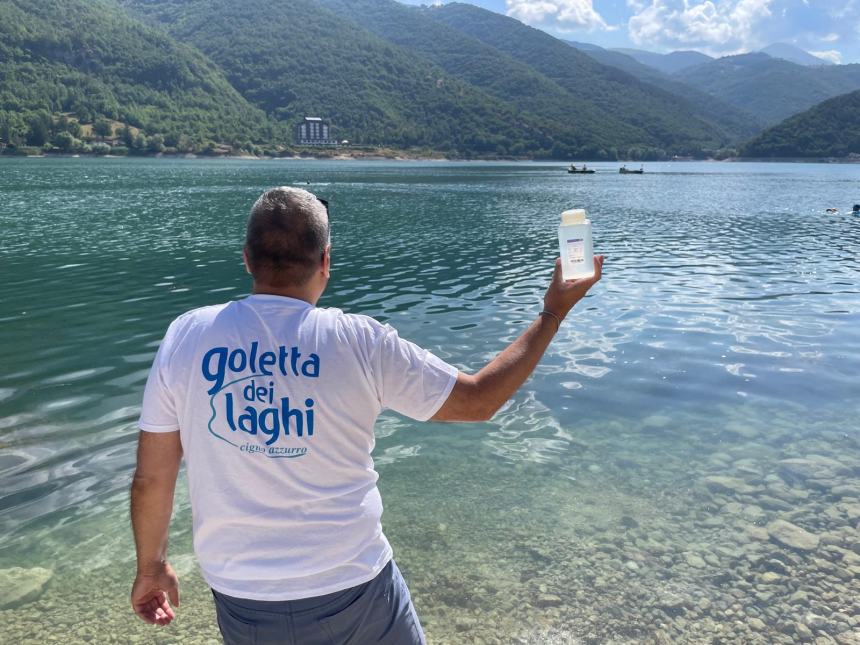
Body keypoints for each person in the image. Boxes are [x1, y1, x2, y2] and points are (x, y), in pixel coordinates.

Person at [130, 187, 604, 644]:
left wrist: (151, 567)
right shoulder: (359, 341)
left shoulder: (187, 336)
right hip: (356, 588)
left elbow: (153, 477)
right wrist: (551, 314)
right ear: (325, 263)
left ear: (248, 260)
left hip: (245, 598)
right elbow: (479, 400)